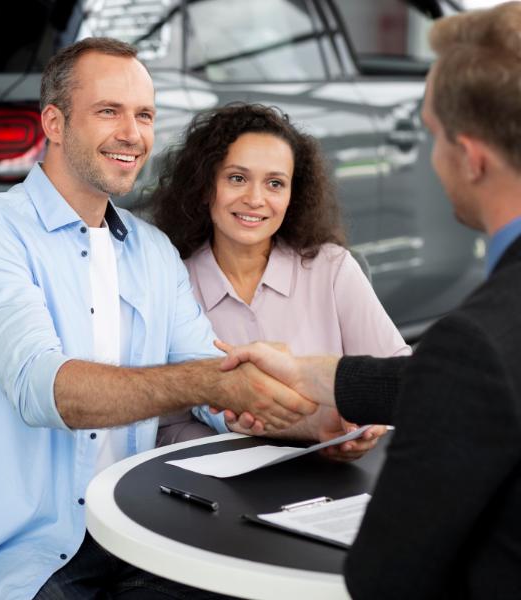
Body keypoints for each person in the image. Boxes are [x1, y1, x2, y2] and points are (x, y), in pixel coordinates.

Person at [0, 37, 326, 600]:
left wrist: (320, 427)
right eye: (109, 111)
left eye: (145, 115)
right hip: (17, 555)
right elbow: (47, 391)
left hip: (133, 536)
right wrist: (209, 381)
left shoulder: (151, 251)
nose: (133, 134)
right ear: (54, 123)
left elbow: (214, 379)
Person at [219, 3, 521, 598]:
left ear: (472, 155)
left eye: (432, 136)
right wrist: (312, 374)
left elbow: (384, 573)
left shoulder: (477, 344)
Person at [151, 104, 409, 445]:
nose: (255, 199)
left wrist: (362, 430)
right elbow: (166, 426)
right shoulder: (172, 283)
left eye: (275, 183)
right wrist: (247, 436)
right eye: (237, 178)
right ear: (204, 187)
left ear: (292, 196)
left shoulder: (332, 269)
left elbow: (399, 376)